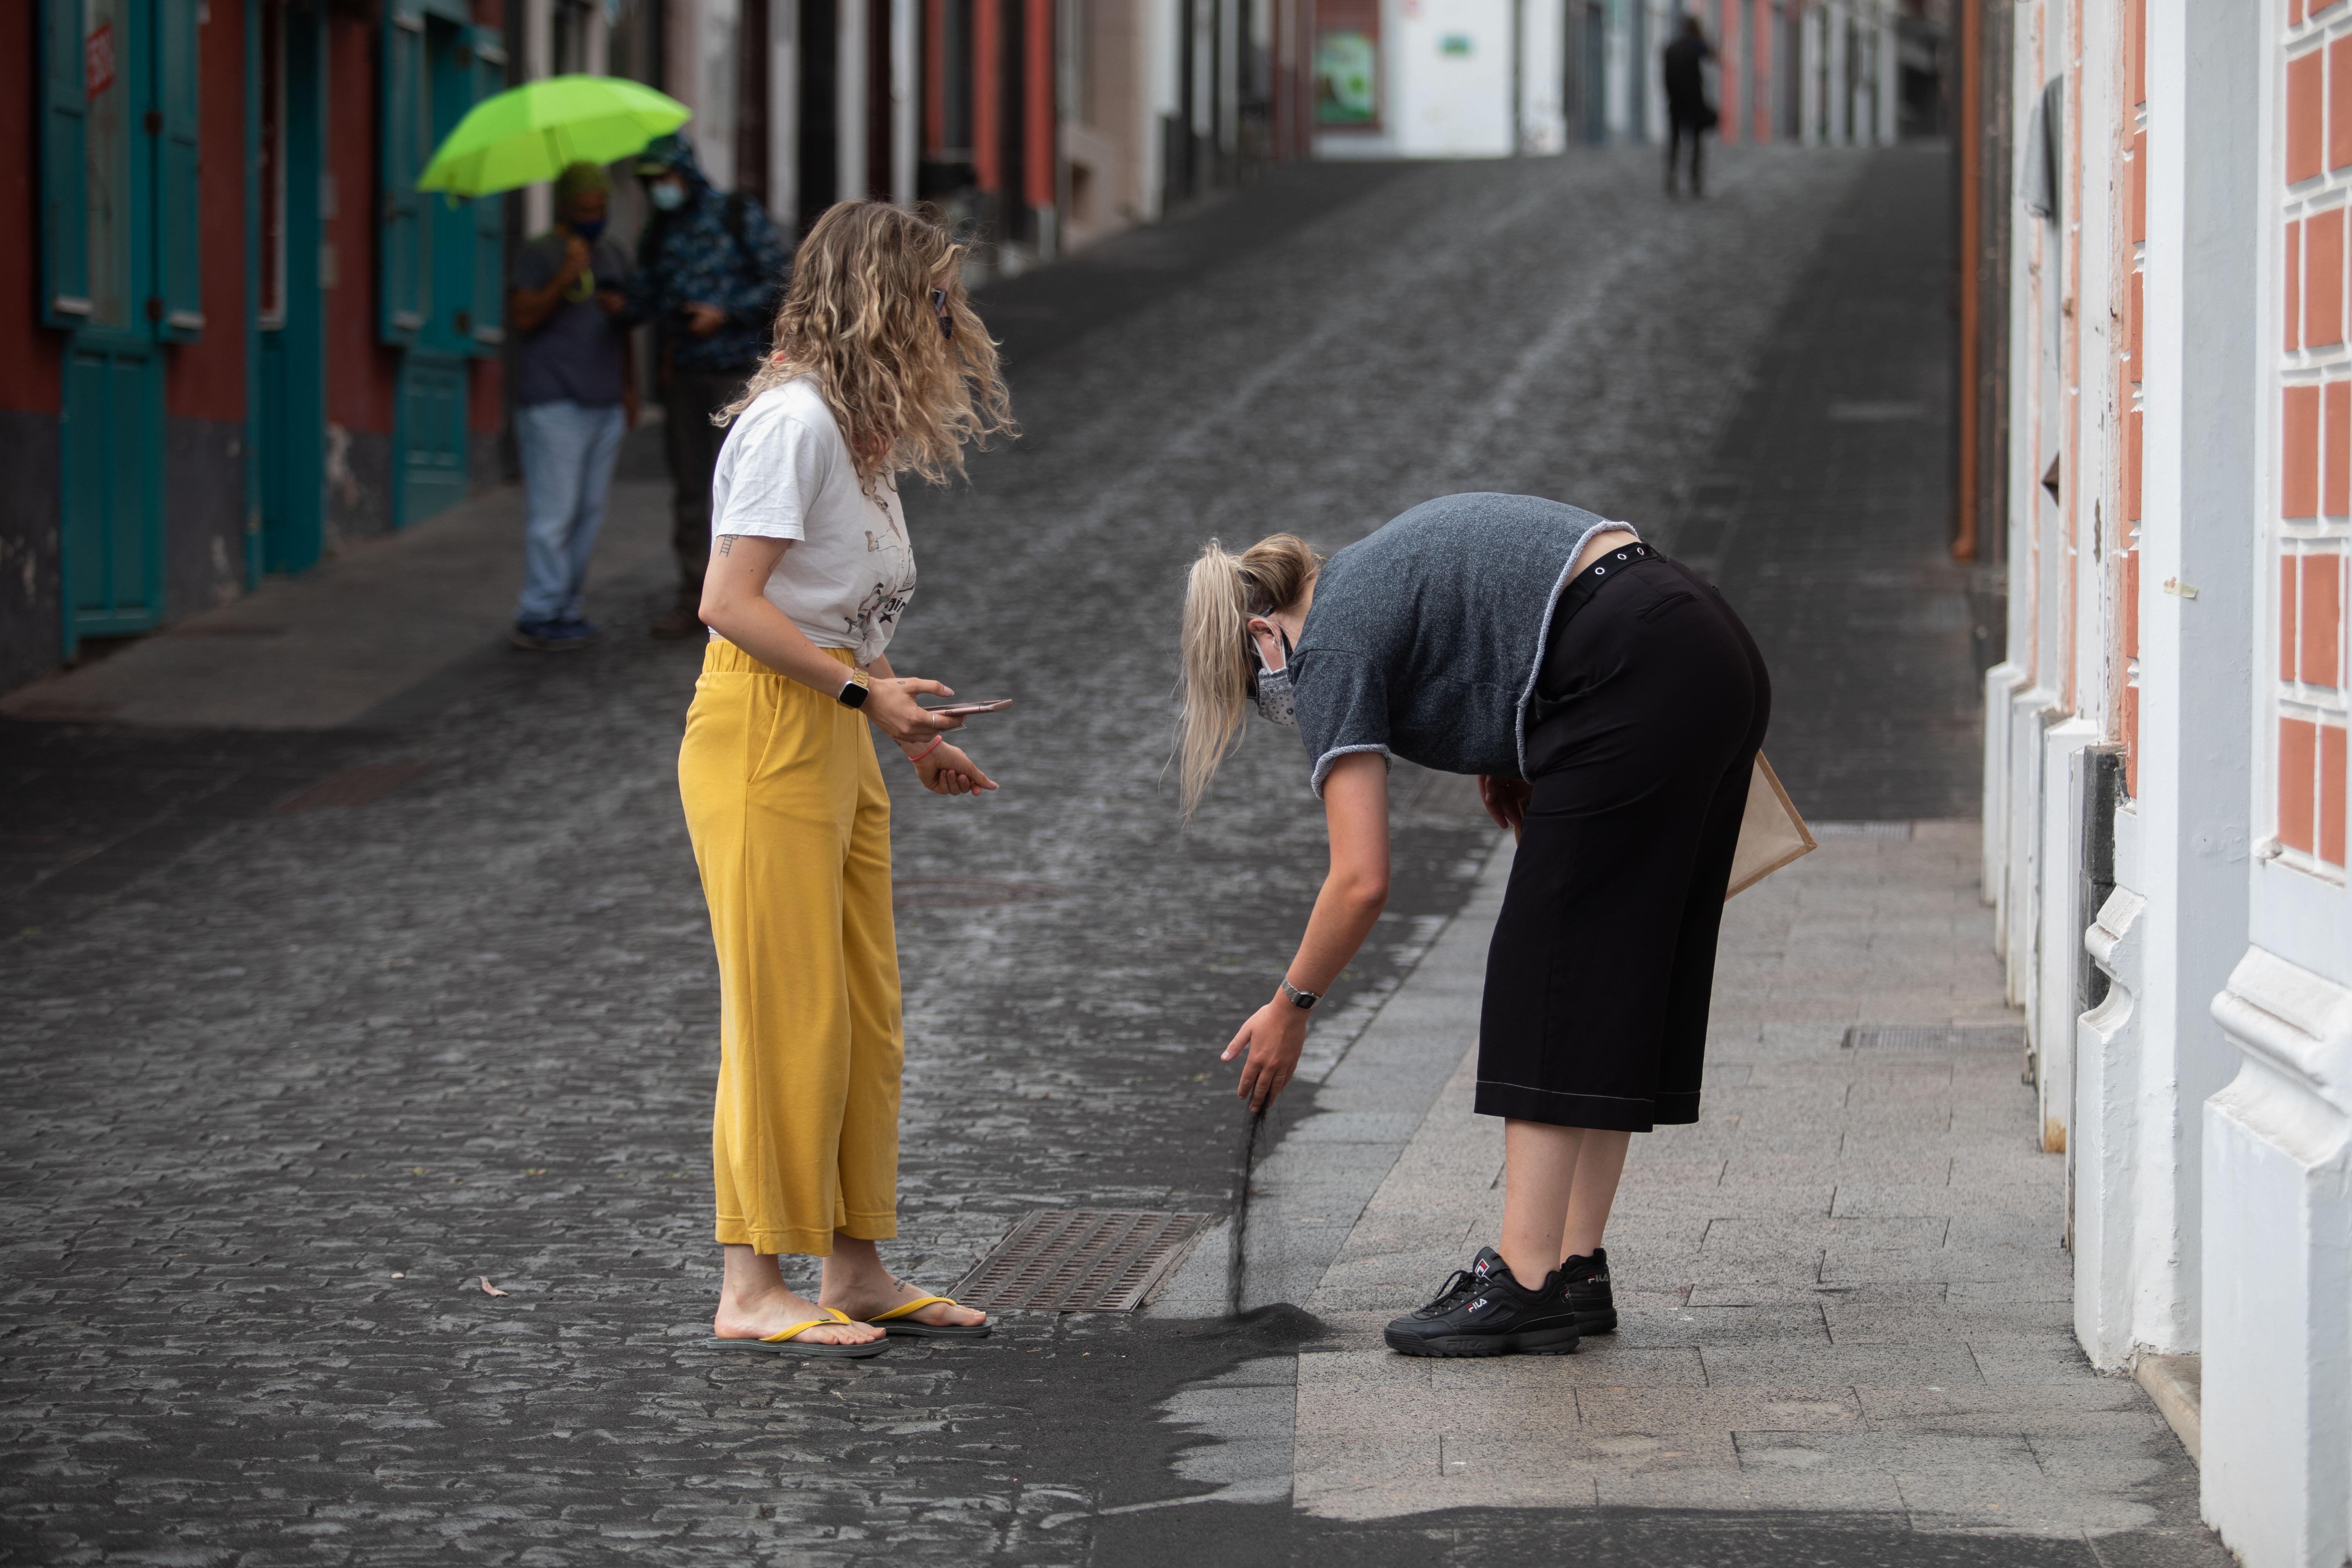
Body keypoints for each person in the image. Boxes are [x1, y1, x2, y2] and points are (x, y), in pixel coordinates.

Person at [1178, 495, 1770, 1358]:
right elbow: (1499, 605)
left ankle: (1521, 1282)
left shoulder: (1329, 641)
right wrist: (1512, 747)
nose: (1283, 708)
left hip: (1627, 664)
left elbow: (1359, 877)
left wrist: (1290, 1003)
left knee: (1546, 970)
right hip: (1702, 643)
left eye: (1260, 695)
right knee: (1611, 972)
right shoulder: (1368, 576)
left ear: (1265, 640)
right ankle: (1571, 1268)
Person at [683, 200, 1016, 1355]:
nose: (950, 320)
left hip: (827, 725)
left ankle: (855, 1263)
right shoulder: (794, 425)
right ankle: (750, 1282)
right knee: (785, 1012)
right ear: (880, 300)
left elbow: (839, 612)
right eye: (934, 299)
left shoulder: (856, 434)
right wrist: (863, 696)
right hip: (764, 729)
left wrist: (909, 723)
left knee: (865, 1013)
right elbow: (728, 603)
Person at [624, 134, 794, 640]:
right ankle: (696, 594)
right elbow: (645, 295)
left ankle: (754, 595)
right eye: (650, 183)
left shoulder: (736, 215)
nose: (660, 190)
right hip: (684, 375)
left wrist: (724, 313)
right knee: (691, 487)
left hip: (742, 371)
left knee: (752, 485)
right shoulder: (658, 231)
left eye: (665, 179)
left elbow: (780, 281)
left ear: (685, 173)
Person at [506, 161, 636, 651]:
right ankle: (537, 610)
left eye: (600, 208)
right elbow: (523, 317)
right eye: (585, 209)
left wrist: (629, 389)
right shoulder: (539, 254)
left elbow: (624, 331)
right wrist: (565, 276)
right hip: (552, 400)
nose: (594, 216)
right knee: (554, 512)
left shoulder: (613, 253)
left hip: (603, 399)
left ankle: (567, 605)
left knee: (588, 511)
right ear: (564, 208)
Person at [1663, 15, 1717, 198]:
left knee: (1675, 142)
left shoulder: (1672, 47)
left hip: (1675, 102)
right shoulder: (1696, 46)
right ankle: (1695, 182)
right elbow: (1715, 56)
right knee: (1696, 144)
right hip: (1694, 102)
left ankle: (1671, 178)